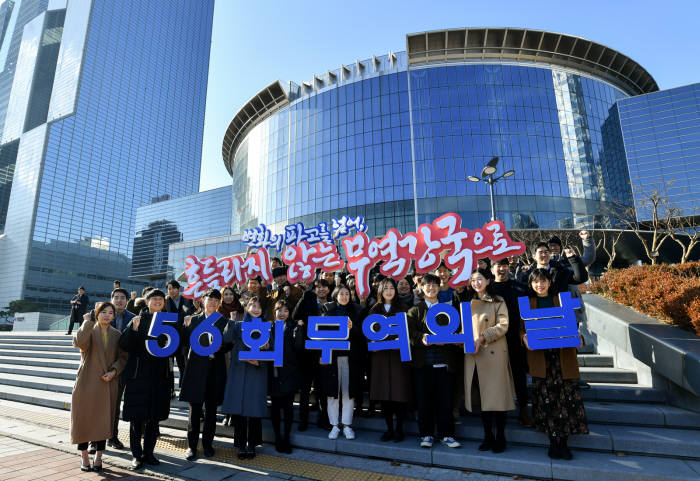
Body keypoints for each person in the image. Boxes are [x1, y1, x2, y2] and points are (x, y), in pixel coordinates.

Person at [524, 268, 588, 460]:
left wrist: (579, 337)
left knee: (566, 400)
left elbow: (574, 327)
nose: (540, 285)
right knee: (547, 400)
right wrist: (524, 339)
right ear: (531, 284)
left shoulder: (561, 300)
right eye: (536, 282)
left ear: (549, 283)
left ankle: (564, 443)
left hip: (562, 357)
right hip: (541, 358)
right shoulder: (528, 303)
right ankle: (553, 442)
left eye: (543, 281)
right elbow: (522, 329)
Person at [463, 269, 515, 453]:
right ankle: (488, 436)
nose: (476, 283)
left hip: (494, 353)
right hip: (474, 355)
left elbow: (503, 325)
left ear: (487, 280)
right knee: (484, 399)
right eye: (473, 280)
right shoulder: (467, 303)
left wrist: (483, 337)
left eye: (479, 279)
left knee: (497, 397)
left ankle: (500, 436)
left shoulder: (498, 300)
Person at [70, 302, 127, 472]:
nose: (107, 315)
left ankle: (99, 457)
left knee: (103, 421)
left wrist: (114, 371)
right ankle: (84, 457)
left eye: (110, 313)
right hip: (86, 382)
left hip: (107, 382)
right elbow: (79, 343)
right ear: (96, 314)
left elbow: (123, 358)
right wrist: (86, 322)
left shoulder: (117, 334)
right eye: (103, 312)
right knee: (83, 420)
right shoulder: (89, 329)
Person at [119, 289, 172, 470]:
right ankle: (136, 455)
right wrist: (133, 330)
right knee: (137, 419)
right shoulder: (137, 320)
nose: (157, 301)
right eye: (153, 299)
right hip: (138, 375)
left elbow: (177, 346)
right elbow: (124, 345)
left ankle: (149, 453)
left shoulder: (169, 321)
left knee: (154, 418)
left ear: (163, 303)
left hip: (159, 376)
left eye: (160, 299)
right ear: (147, 302)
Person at [407, 274, 461, 449]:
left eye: (434, 285)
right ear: (421, 288)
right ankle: (426, 434)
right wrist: (422, 338)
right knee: (424, 401)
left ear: (439, 287)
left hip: (445, 362)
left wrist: (452, 338)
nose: (431, 288)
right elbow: (409, 335)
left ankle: (447, 434)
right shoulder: (414, 311)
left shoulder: (449, 309)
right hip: (423, 364)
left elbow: (459, 330)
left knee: (446, 401)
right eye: (427, 285)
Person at [179, 288, 229, 461]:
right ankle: (191, 447)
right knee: (194, 412)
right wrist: (184, 328)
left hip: (215, 370)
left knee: (211, 413)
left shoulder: (224, 321)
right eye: (210, 299)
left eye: (216, 300)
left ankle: (208, 445)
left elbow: (229, 344)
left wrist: (219, 348)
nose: (213, 302)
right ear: (203, 300)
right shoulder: (193, 320)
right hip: (196, 371)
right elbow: (183, 343)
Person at [221, 297, 269, 460]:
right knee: (240, 412)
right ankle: (241, 445)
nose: (256, 309)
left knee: (254, 410)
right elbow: (226, 339)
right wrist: (231, 320)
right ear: (246, 308)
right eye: (252, 306)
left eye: (259, 307)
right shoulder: (239, 325)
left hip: (257, 372)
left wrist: (260, 360)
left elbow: (274, 350)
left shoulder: (267, 327)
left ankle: (252, 444)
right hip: (239, 371)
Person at [366, 278, 412, 442]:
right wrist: (372, 343)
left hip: (398, 356)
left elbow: (409, 332)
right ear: (380, 290)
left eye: (392, 287)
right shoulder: (374, 309)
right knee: (384, 393)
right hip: (381, 357)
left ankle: (399, 428)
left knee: (399, 393)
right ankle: (389, 429)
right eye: (385, 288)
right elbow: (368, 333)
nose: (389, 291)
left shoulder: (403, 308)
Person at [489, 259, 532, 427]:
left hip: (516, 339)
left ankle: (523, 411)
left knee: (519, 376)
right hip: (493, 341)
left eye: (505, 266)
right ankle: (496, 412)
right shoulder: (487, 289)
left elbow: (528, 314)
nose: (502, 269)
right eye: (498, 266)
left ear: (509, 268)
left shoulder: (520, 288)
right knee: (495, 377)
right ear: (492, 269)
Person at [321, 285, 365, 440]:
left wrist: (353, 328)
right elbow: (321, 334)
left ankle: (347, 425)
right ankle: (334, 425)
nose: (345, 296)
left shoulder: (358, 311)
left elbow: (363, 336)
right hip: (331, 357)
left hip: (350, 358)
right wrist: (322, 354)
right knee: (332, 394)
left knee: (348, 392)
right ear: (335, 295)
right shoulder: (327, 310)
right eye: (341, 293)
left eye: (347, 293)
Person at [292, 279, 333, 431]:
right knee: (304, 390)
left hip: (324, 352)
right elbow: (295, 315)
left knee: (322, 389)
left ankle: (324, 420)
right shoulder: (307, 301)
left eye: (324, 287)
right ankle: (303, 421)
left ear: (329, 290)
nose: (321, 290)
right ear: (315, 290)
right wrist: (304, 294)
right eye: (318, 287)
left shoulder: (332, 304)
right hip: (307, 354)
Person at [268, 300, 301, 454]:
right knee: (275, 408)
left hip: (289, 374)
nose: (282, 314)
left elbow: (299, 347)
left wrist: (299, 330)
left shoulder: (294, 326)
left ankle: (286, 438)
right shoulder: (269, 328)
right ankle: (277, 438)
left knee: (288, 409)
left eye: (286, 311)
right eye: (279, 310)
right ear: (274, 312)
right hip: (274, 374)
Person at [108, 288, 135, 449]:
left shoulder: (133, 318)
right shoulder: (101, 315)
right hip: (104, 366)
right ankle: (94, 440)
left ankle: (112, 437)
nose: (119, 301)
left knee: (116, 405)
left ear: (127, 301)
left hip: (124, 367)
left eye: (122, 298)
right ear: (111, 299)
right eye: (116, 297)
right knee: (101, 405)